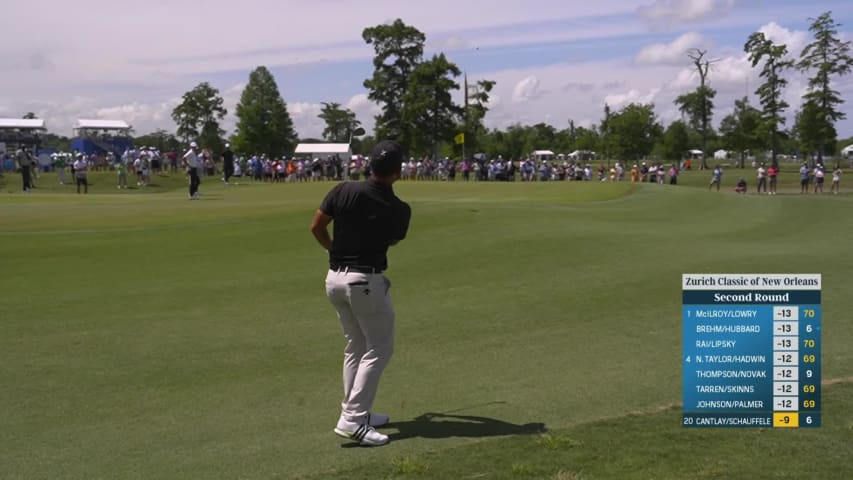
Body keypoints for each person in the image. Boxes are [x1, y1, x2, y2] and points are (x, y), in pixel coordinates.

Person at [310, 140, 412, 447]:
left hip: (334, 279)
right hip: (364, 282)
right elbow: (393, 239)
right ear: (398, 172)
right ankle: (353, 419)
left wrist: (336, 250)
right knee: (379, 347)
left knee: (356, 345)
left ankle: (357, 411)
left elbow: (316, 226)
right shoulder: (398, 209)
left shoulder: (343, 189)